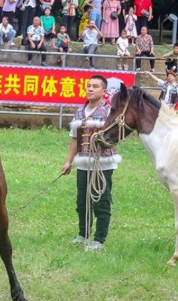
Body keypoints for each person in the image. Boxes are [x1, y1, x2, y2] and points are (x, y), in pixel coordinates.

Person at [61, 75, 121, 251]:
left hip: (102, 164)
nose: (90, 89)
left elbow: (114, 138)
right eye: (88, 86)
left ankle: (99, 239)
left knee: (101, 200)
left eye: (95, 86)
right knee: (82, 201)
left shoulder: (110, 112)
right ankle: (83, 234)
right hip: (83, 163)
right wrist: (68, 161)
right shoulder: (80, 111)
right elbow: (75, 139)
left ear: (104, 91)